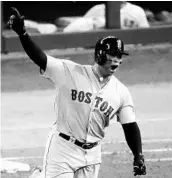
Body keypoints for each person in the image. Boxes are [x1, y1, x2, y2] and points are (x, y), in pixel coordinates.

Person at [8, 7, 147, 178]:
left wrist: (138, 155)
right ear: (100, 55)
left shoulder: (121, 92)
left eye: (120, 56)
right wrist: (22, 33)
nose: (117, 60)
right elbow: (41, 58)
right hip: (63, 149)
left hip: (92, 155)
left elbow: (130, 126)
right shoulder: (70, 71)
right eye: (113, 55)